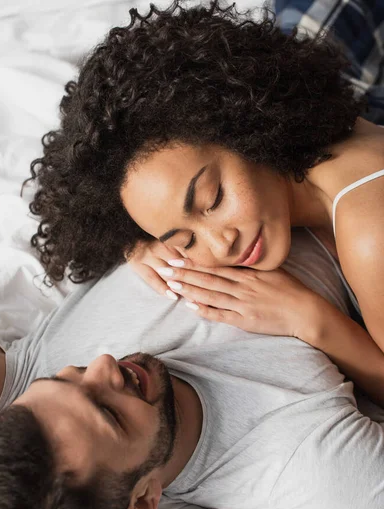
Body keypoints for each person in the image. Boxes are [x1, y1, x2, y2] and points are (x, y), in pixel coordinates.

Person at [0, 230, 384, 509]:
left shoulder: (38, 361)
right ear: (142, 503)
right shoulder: (317, 471)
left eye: (63, 380)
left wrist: (131, 232)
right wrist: (315, 322)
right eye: (109, 412)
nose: (103, 365)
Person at [27, 1, 384, 409]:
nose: (221, 244)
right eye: (185, 240)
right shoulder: (322, 145)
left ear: (247, 124)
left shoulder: (372, 231)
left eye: (213, 199)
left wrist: (312, 320)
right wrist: (138, 242)